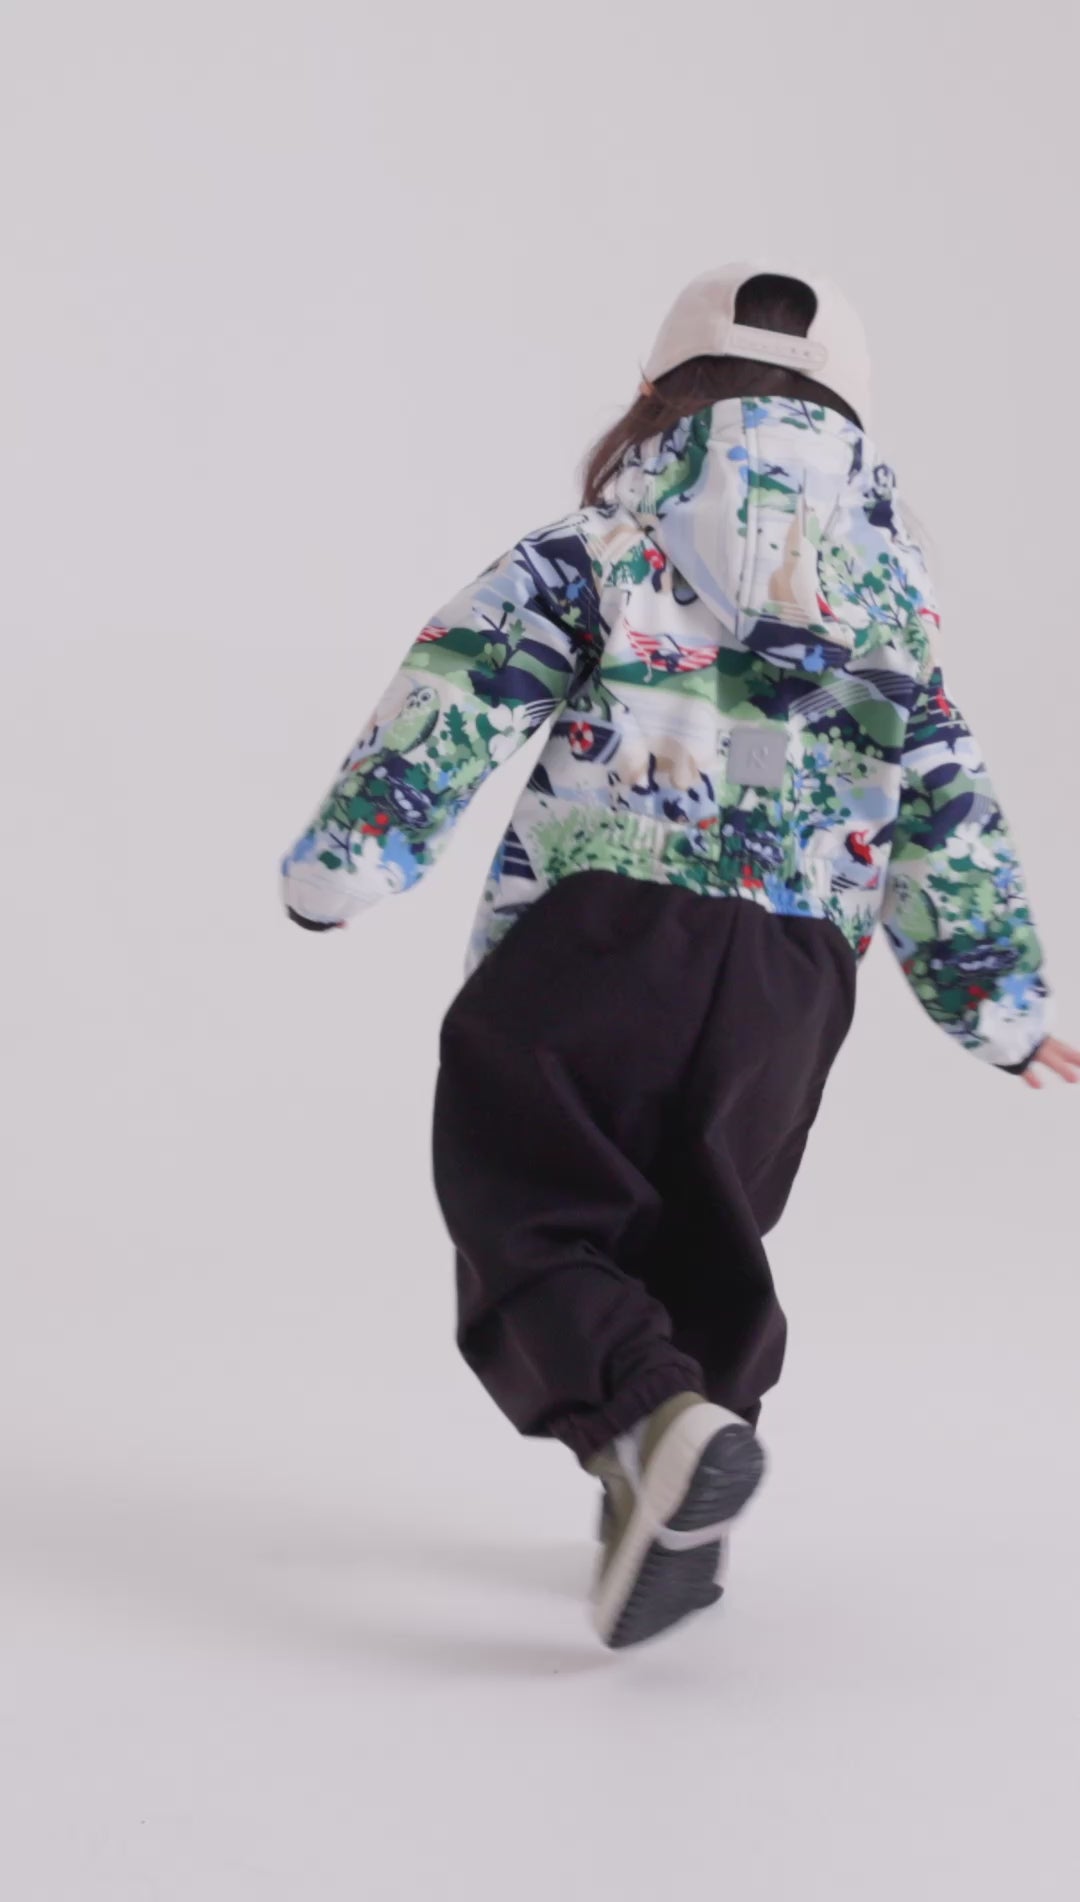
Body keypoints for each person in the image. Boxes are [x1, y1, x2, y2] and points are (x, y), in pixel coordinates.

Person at [281, 264, 1078, 1651]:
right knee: (702, 1226)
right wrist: (999, 1003)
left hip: (604, 930)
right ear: (854, 424)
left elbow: (459, 687)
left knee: (530, 1202)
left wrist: (346, 864)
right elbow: (946, 804)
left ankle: (654, 1434)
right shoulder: (894, 608)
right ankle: (667, 1482)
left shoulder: (601, 543)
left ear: (654, 396)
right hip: (793, 974)